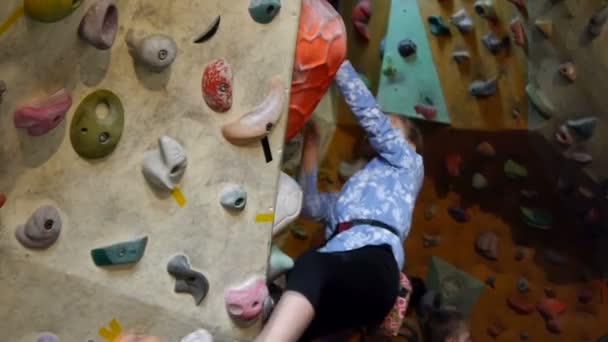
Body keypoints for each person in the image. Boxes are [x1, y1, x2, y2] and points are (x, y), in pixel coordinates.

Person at [255, 60, 424, 342]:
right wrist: (311, 146)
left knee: (312, 265)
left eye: (392, 125)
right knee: (286, 316)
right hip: (342, 273)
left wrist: (337, 65)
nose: (383, 128)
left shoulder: (408, 164)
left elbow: (374, 121)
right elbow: (309, 205)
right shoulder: (352, 197)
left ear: (410, 145)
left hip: (375, 264)